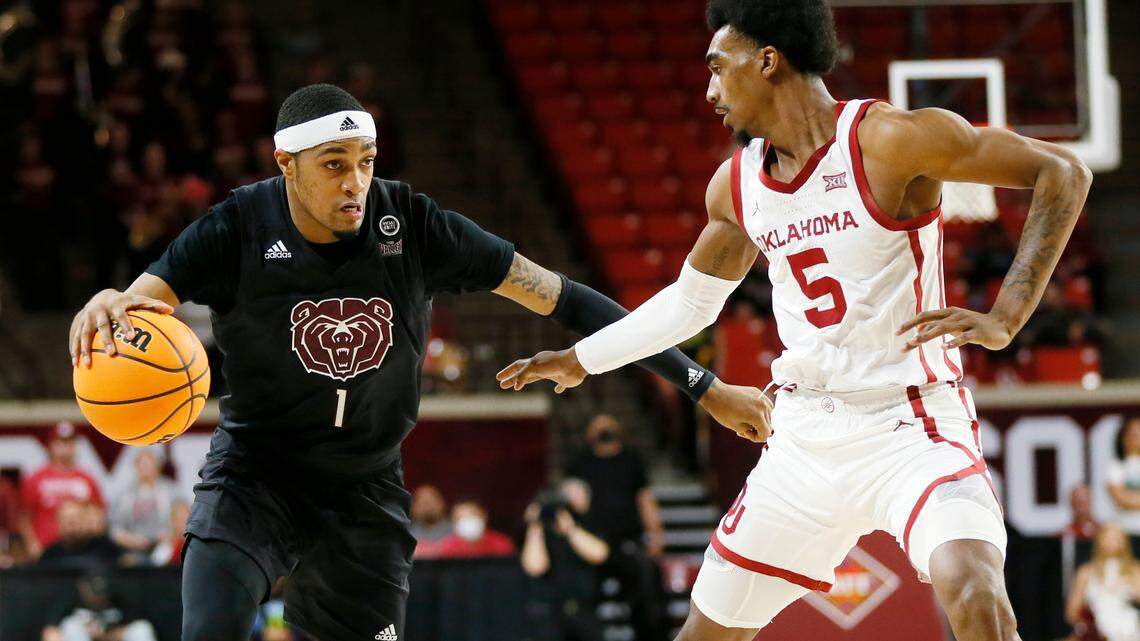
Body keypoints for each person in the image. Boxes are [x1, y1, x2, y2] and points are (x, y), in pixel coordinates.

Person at [67, 83, 768, 641]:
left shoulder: (414, 225)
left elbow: (567, 298)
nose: (355, 182)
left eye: (365, 163)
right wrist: (112, 300)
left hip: (366, 485)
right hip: (257, 475)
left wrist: (704, 387)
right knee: (212, 628)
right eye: (334, 166)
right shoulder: (236, 227)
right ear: (287, 165)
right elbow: (138, 306)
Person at [496, 1, 1093, 638]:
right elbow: (689, 305)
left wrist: (1008, 315)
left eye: (718, 68)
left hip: (911, 424)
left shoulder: (888, 140)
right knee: (704, 633)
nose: (709, 88)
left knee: (975, 591)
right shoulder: (737, 186)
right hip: (804, 437)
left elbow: (1061, 171)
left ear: (768, 61)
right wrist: (579, 358)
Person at [567, 414, 669, 641]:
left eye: (608, 425)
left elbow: (644, 498)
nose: (603, 430)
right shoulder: (579, 462)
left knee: (646, 593)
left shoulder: (632, 461)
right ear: (588, 434)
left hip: (628, 540)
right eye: (598, 426)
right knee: (581, 595)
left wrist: (656, 533)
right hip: (591, 544)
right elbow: (571, 497)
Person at [521, 479, 610, 641]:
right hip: (548, 609)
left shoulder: (589, 523)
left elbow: (600, 554)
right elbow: (535, 567)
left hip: (584, 607)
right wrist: (535, 525)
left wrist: (570, 529)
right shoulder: (539, 531)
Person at [20, 422, 105, 558]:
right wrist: (32, 544)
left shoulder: (87, 478)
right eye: (61, 443)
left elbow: (99, 514)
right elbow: (24, 517)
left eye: (70, 443)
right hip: (45, 548)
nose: (66, 448)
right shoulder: (36, 478)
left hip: (81, 550)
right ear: (51, 446)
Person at [1066, 524, 1140, 641]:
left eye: (1117, 538)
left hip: (1128, 630)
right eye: (1108, 538)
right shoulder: (1086, 572)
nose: (1112, 543)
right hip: (1096, 630)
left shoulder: (1134, 569)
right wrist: (1090, 625)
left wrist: (1128, 584)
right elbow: (1071, 613)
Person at [109, 450, 181, 564]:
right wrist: (131, 539)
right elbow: (115, 529)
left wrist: (171, 535)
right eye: (142, 465)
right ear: (136, 467)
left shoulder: (171, 492)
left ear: (158, 466)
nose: (146, 470)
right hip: (133, 550)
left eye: (149, 465)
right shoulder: (124, 495)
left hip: (165, 547)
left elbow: (183, 519)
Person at [38, 500, 122, 569]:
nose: (72, 525)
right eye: (67, 520)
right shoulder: (49, 555)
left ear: (86, 521)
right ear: (58, 524)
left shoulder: (107, 548)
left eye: (76, 519)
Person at [432, 499, 515, 558]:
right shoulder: (448, 547)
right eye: (460, 518)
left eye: (471, 515)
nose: (467, 521)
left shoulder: (502, 544)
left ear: (484, 515)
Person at [1108, 417, 1140, 547]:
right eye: (1134, 434)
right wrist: (1127, 499)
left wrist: (1131, 497)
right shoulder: (1116, 466)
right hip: (1127, 531)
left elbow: (1127, 497)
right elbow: (1121, 500)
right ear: (1123, 438)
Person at [410, 484, 452, 558]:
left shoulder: (456, 531)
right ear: (413, 508)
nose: (427, 507)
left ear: (442, 503)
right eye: (422, 502)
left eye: (430, 501)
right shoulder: (407, 534)